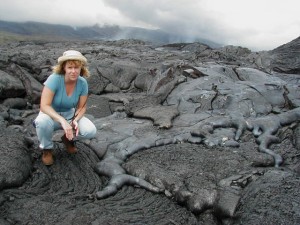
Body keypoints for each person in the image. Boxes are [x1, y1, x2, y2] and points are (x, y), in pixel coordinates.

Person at [33, 50, 97, 166]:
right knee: (41, 122)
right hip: (50, 115)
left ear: (81, 68)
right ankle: (47, 150)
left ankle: (67, 140)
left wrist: (75, 120)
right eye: (70, 67)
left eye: (76, 67)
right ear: (64, 68)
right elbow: (44, 105)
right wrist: (62, 121)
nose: (73, 71)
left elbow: (82, 107)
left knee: (90, 131)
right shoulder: (54, 79)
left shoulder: (82, 83)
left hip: (69, 114)